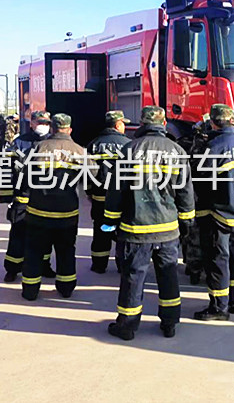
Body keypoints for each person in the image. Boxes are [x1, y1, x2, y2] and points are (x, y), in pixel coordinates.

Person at [104, 106, 195, 340]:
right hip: (167, 229)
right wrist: (186, 221)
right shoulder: (177, 151)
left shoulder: (128, 150)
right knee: (168, 276)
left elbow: (116, 191)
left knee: (133, 278)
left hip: (136, 229)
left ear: (142, 124)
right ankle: (170, 323)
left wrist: (111, 221)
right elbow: (185, 191)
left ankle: (127, 326)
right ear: (164, 124)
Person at [193, 104, 234, 321]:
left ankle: (219, 307)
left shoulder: (214, 147)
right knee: (233, 257)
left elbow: (201, 181)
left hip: (217, 212)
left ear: (213, 122)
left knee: (217, 259)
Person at [21, 113, 86, 300]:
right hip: (67, 213)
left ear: (52, 128)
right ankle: (66, 288)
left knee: (34, 251)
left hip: (38, 211)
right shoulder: (80, 151)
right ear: (69, 129)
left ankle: (30, 291)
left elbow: (24, 175)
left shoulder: (38, 148)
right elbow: (93, 178)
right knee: (66, 251)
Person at [2, 110, 54, 282]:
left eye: (46, 123)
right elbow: (6, 168)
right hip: (23, 197)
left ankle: (44, 265)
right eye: (39, 123)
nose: (42, 126)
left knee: (45, 235)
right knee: (18, 235)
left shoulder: (53, 142)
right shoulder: (20, 142)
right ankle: (12, 268)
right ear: (31, 123)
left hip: (46, 197)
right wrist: (7, 196)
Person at [86, 110, 131, 274]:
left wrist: (89, 192)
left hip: (100, 196)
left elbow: (88, 173)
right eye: (123, 123)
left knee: (100, 230)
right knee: (123, 232)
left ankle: (99, 264)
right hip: (122, 198)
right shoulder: (129, 144)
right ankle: (122, 264)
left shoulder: (94, 144)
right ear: (118, 125)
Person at [183, 113, 213, 285]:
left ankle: (193, 269)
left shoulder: (189, 146)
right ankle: (203, 269)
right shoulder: (215, 147)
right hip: (211, 199)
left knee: (193, 235)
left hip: (195, 197)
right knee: (208, 237)